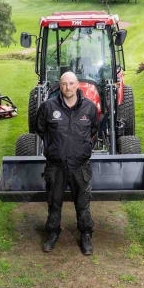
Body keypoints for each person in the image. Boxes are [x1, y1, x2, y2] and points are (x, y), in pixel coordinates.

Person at [36, 71, 98, 255]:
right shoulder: (48, 106)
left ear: (77, 84)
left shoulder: (89, 108)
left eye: (71, 83)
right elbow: (40, 129)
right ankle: (53, 232)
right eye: (64, 84)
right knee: (54, 202)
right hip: (56, 166)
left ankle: (86, 234)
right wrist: (55, 148)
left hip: (80, 166)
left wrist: (81, 149)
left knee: (83, 203)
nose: (68, 88)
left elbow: (93, 130)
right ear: (59, 85)